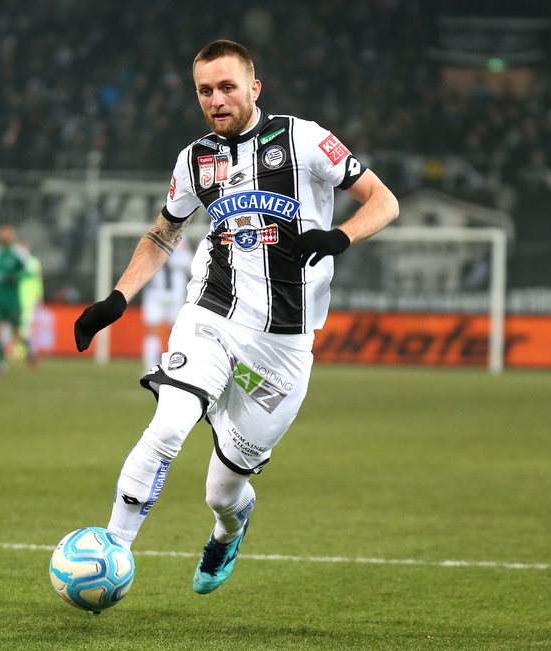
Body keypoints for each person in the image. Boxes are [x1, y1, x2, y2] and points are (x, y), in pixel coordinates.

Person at [73, 40, 398, 595]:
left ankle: (229, 528)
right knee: (172, 419)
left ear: (254, 88)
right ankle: (112, 548)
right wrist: (117, 298)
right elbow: (163, 233)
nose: (216, 100)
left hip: (285, 345)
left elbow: (383, 201)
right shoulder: (195, 159)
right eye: (205, 90)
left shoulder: (304, 140)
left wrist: (339, 235)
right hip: (213, 314)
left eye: (227, 87)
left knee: (223, 490)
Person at [0, 224, 36, 374]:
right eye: (2, 233)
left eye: (7, 233)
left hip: (13, 299)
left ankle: (30, 353)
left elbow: (29, 273)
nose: (3, 236)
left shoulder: (18, 253)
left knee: (16, 333)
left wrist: (13, 277)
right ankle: (0, 364)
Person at [141, 236, 192, 371]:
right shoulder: (181, 240)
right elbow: (189, 264)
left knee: (154, 331)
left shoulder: (151, 239)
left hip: (157, 292)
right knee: (175, 331)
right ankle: (178, 366)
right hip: (174, 292)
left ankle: (151, 368)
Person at [17, 240, 44, 367]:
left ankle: (30, 355)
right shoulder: (16, 262)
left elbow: (33, 278)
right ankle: (25, 353)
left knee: (26, 329)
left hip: (29, 301)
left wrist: (39, 297)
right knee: (20, 328)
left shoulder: (33, 262)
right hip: (17, 300)